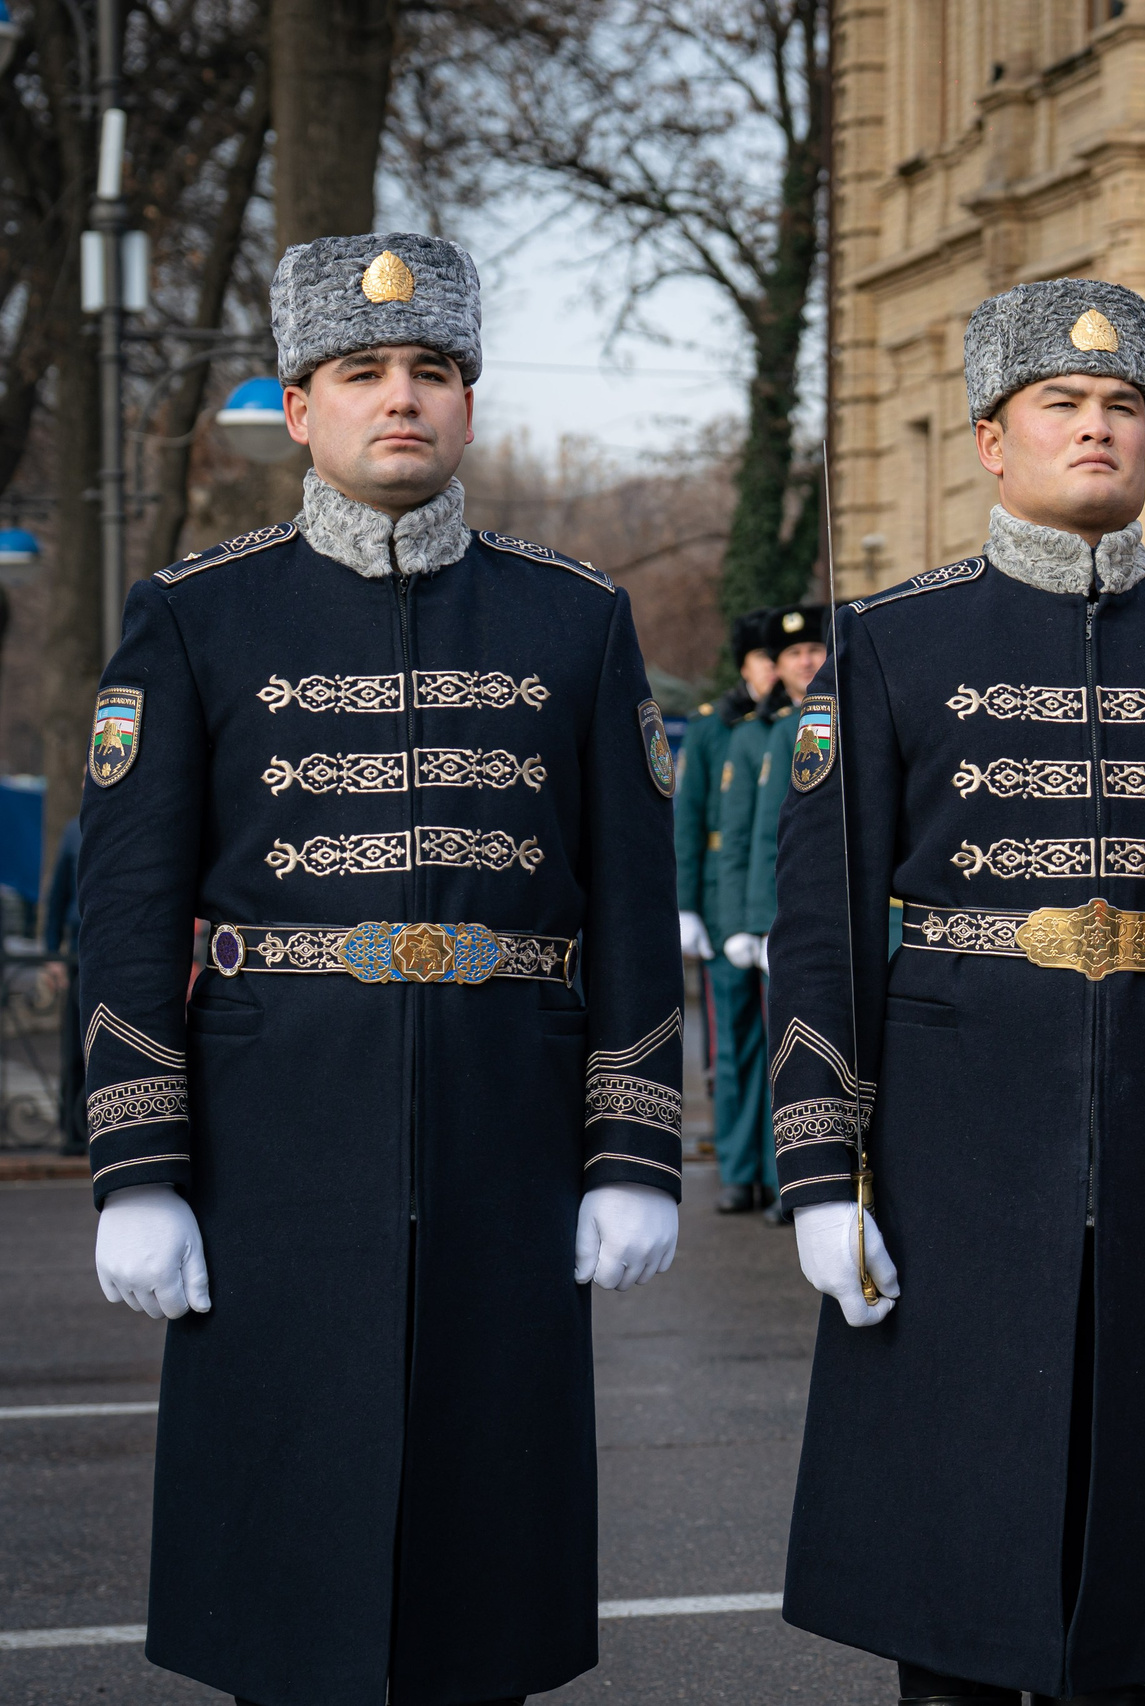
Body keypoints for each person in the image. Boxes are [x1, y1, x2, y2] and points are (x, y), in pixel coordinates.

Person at [81, 232, 683, 1706]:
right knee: (282, 1563)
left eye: (431, 372)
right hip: (269, 1139)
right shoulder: (192, 612)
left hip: (509, 1134)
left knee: (490, 1557)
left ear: (470, 403)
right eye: (360, 373)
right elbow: (132, 902)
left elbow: (629, 899)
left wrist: (632, 1150)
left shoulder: (576, 616)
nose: (397, 399)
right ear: (299, 407)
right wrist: (138, 1165)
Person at [761, 278, 1145, 1705]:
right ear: (989, 440)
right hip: (952, 1161)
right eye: (1062, 404)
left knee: (1120, 1597)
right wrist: (823, 1172)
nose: (1098, 429)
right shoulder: (891, 641)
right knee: (950, 1589)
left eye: (1123, 407)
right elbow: (822, 927)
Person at [678, 609, 778, 1213]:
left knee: (774, 1042)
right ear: (745, 665)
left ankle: (772, 1163)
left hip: (764, 900)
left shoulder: (796, 724)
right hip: (720, 900)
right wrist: (686, 904)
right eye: (769, 659)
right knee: (731, 1039)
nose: (779, 669)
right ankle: (741, 1166)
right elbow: (690, 820)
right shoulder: (718, 726)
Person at [734, 602, 830, 1223]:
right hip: (791, 918)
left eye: (816, 651)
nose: (808, 661)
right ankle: (790, 1180)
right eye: (795, 654)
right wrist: (752, 919)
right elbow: (762, 838)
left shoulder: (848, 716)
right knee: (788, 1053)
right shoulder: (773, 734)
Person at [43, 816, 83, 1155]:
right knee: (73, 1047)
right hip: (79, 954)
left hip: (117, 951)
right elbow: (57, 897)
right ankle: (72, 1132)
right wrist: (52, 953)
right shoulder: (73, 831)